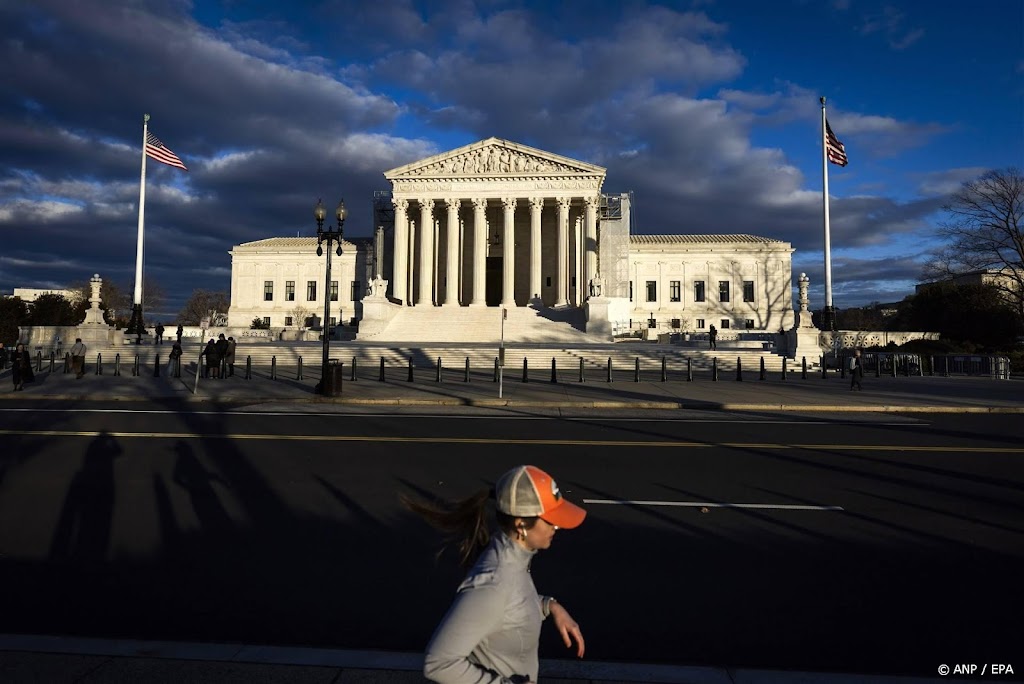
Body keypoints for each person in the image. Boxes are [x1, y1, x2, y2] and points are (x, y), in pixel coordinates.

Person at [407, 465, 587, 684]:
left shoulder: (514, 559)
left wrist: (549, 606)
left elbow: (510, 609)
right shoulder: (493, 582)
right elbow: (438, 664)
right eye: (550, 521)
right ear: (521, 525)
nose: (556, 527)